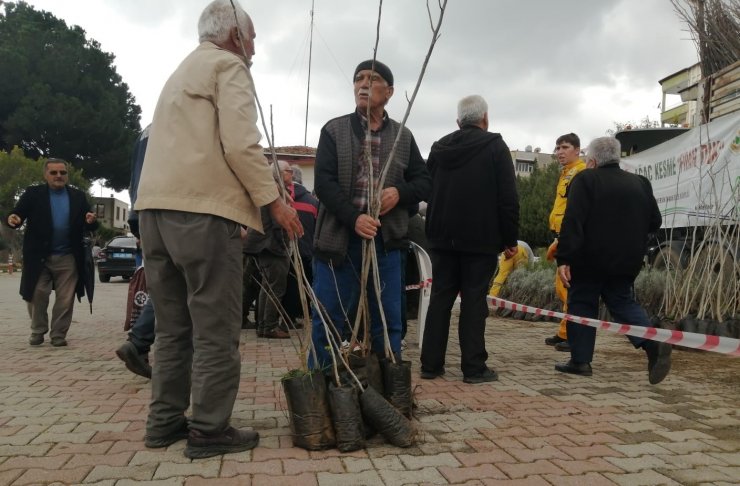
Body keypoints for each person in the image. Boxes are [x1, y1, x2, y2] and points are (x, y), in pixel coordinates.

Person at [134, 0, 302, 460]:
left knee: (172, 329)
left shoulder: (181, 71)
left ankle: (164, 422)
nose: (255, 51)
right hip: (202, 214)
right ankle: (209, 429)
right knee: (215, 328)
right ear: (235, 37)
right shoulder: (229, 67)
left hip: (153, 210)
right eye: (253, 40)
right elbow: (241, 144)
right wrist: (275, 204)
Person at [310, 59, 431, 369]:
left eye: (372, 79)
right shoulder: (334, 130)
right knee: (328, 320)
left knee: (387, 321)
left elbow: (425, 182)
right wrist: (354, 218)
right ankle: (322, 393)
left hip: (386, 244)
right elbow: (323, 183)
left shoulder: (403, 136)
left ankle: (387, 393)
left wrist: (400, 193)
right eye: (358, 78)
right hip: (339, 241)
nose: (362, 84)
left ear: (389, 92)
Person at [555, 136, 671, 384]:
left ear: (593, 160)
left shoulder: (585, 179)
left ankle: (580, 361)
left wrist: (564, 258)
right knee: (622, 301)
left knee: (582, 304)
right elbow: (655, 222)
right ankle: (652, 343)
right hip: (627, 260)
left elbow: (572, 222)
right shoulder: (640, 183)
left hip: (589, 260)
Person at [420, 95, 519, 384]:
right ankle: (473, 368)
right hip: (481, 239)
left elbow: (426, 189)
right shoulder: (495, 146)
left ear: (458, 121)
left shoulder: (438, 148)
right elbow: (508, 199)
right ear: (485, 119)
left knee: (440, 298)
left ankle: (430, 365)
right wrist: (510, 238)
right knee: (474, 302)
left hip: (440, 237)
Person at [6, 158, 98, 347]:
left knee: (66, 299)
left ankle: (58, 334)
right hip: (39, 256)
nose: (58, 176)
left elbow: (90, 222)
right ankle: (38, 330)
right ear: (45, 175)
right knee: (37, 293)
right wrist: (13, 219)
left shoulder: (78, 197)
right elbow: (17, 214)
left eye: (62, 173)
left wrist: (90, 220)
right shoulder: (33, 194)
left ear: (67, 175)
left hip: (69, 256)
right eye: (54, 172)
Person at [115, 125, 155, 379]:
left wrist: (135, 219)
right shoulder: (182, 116)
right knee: (177, 287)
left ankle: (138, 342)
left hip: (143, 212)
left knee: (167, 286)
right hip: (170, 211)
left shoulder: (145, 132)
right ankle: (139, 341)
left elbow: (134, 178)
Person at [545, 133, 587, 352]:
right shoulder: (566, 174)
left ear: (577, 150)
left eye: (564, 147)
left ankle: (573, 335)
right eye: (557, 148)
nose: (559, 152)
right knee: (562, 288)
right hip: (561, 237)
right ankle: (564, 332)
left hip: (570, 239)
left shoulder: (580, 173)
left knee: (570, 288)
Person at [243, 163, 293, 340]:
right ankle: (269, 326)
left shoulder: (269, 189)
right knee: (275, 287)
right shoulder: (275, 192)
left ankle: (263, 325)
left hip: (263, 245)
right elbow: (277, 222)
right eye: (289, 171)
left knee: (267, 286)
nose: (292, 174)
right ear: (278, 173)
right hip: (271, 245)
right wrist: (283, 246)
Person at [281, 161, 318, 325]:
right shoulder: (312, 201)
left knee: (288, 286)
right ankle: (308, 314)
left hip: (285, 250)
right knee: (308, 284)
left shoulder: (280, 200)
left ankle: (287, 319)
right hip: (308, 250)